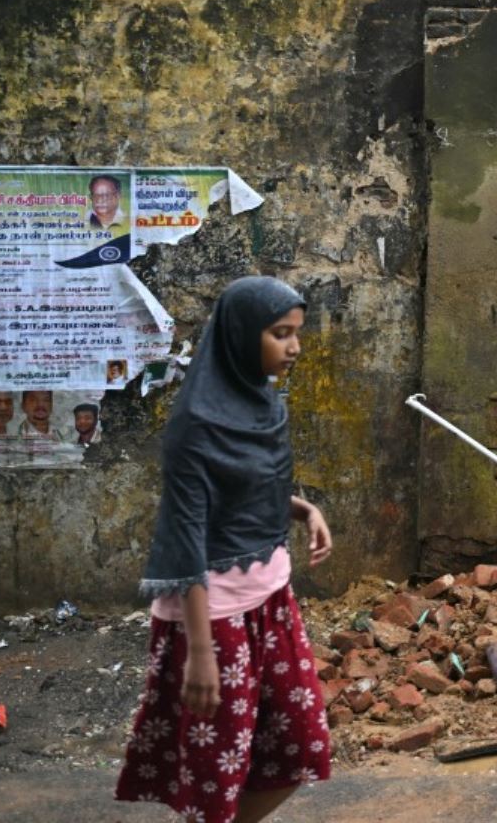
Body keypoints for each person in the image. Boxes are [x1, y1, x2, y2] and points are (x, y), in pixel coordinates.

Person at [116, 277, 333, 823]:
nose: (295, 347)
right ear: (240, 336)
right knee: (217, 772)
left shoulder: (260, 402)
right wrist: (202, 654)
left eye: (297, 333)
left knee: (302, 743)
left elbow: (250, 488)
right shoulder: (195, 425)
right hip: (211, 618)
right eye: (280, 334)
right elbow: (188, 531)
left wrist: (303, 510)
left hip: (270, 600)